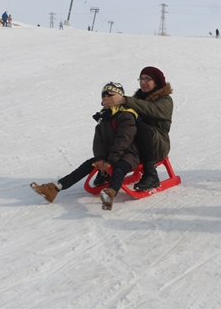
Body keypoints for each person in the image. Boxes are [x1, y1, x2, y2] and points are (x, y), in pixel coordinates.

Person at [30, 82, 139, 210]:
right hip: (110, 155)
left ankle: (111, 192)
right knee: (88, 164)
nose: (106, 99)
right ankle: (54, 188)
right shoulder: (103, 117)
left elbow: (124, 140)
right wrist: (100, 159)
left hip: (129, 154)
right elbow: (98, 142)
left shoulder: (126, 115)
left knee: (119, 168)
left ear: (118, 98)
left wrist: (110, 161)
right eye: (103, 96)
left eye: (110, 96)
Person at [103, 66, 173, 191]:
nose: (143, 82)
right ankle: (107, 168)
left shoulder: (166, 100)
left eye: (147, 79)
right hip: (138, 147)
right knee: (118, 124)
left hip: (158, 145)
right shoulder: (136, 99)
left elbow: (150, 109)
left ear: (156, 82)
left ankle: (151, 174)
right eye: (141, 79)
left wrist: (124, 100)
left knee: (139, 127)